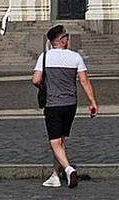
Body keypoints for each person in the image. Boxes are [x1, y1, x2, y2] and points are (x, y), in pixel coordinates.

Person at [32, 25, 98, 189]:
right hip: (70, 104)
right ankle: (55, 175)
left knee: (54, 142)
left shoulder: (45, 57)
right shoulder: (75, 57)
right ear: (62, 40)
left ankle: (68, 170)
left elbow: (35, 79)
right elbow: (84, 81)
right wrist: (92, 102)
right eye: (66, 36)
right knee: (61, 139)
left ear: (51, 42)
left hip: (53, 104)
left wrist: (44, 84)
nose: (68, 39)